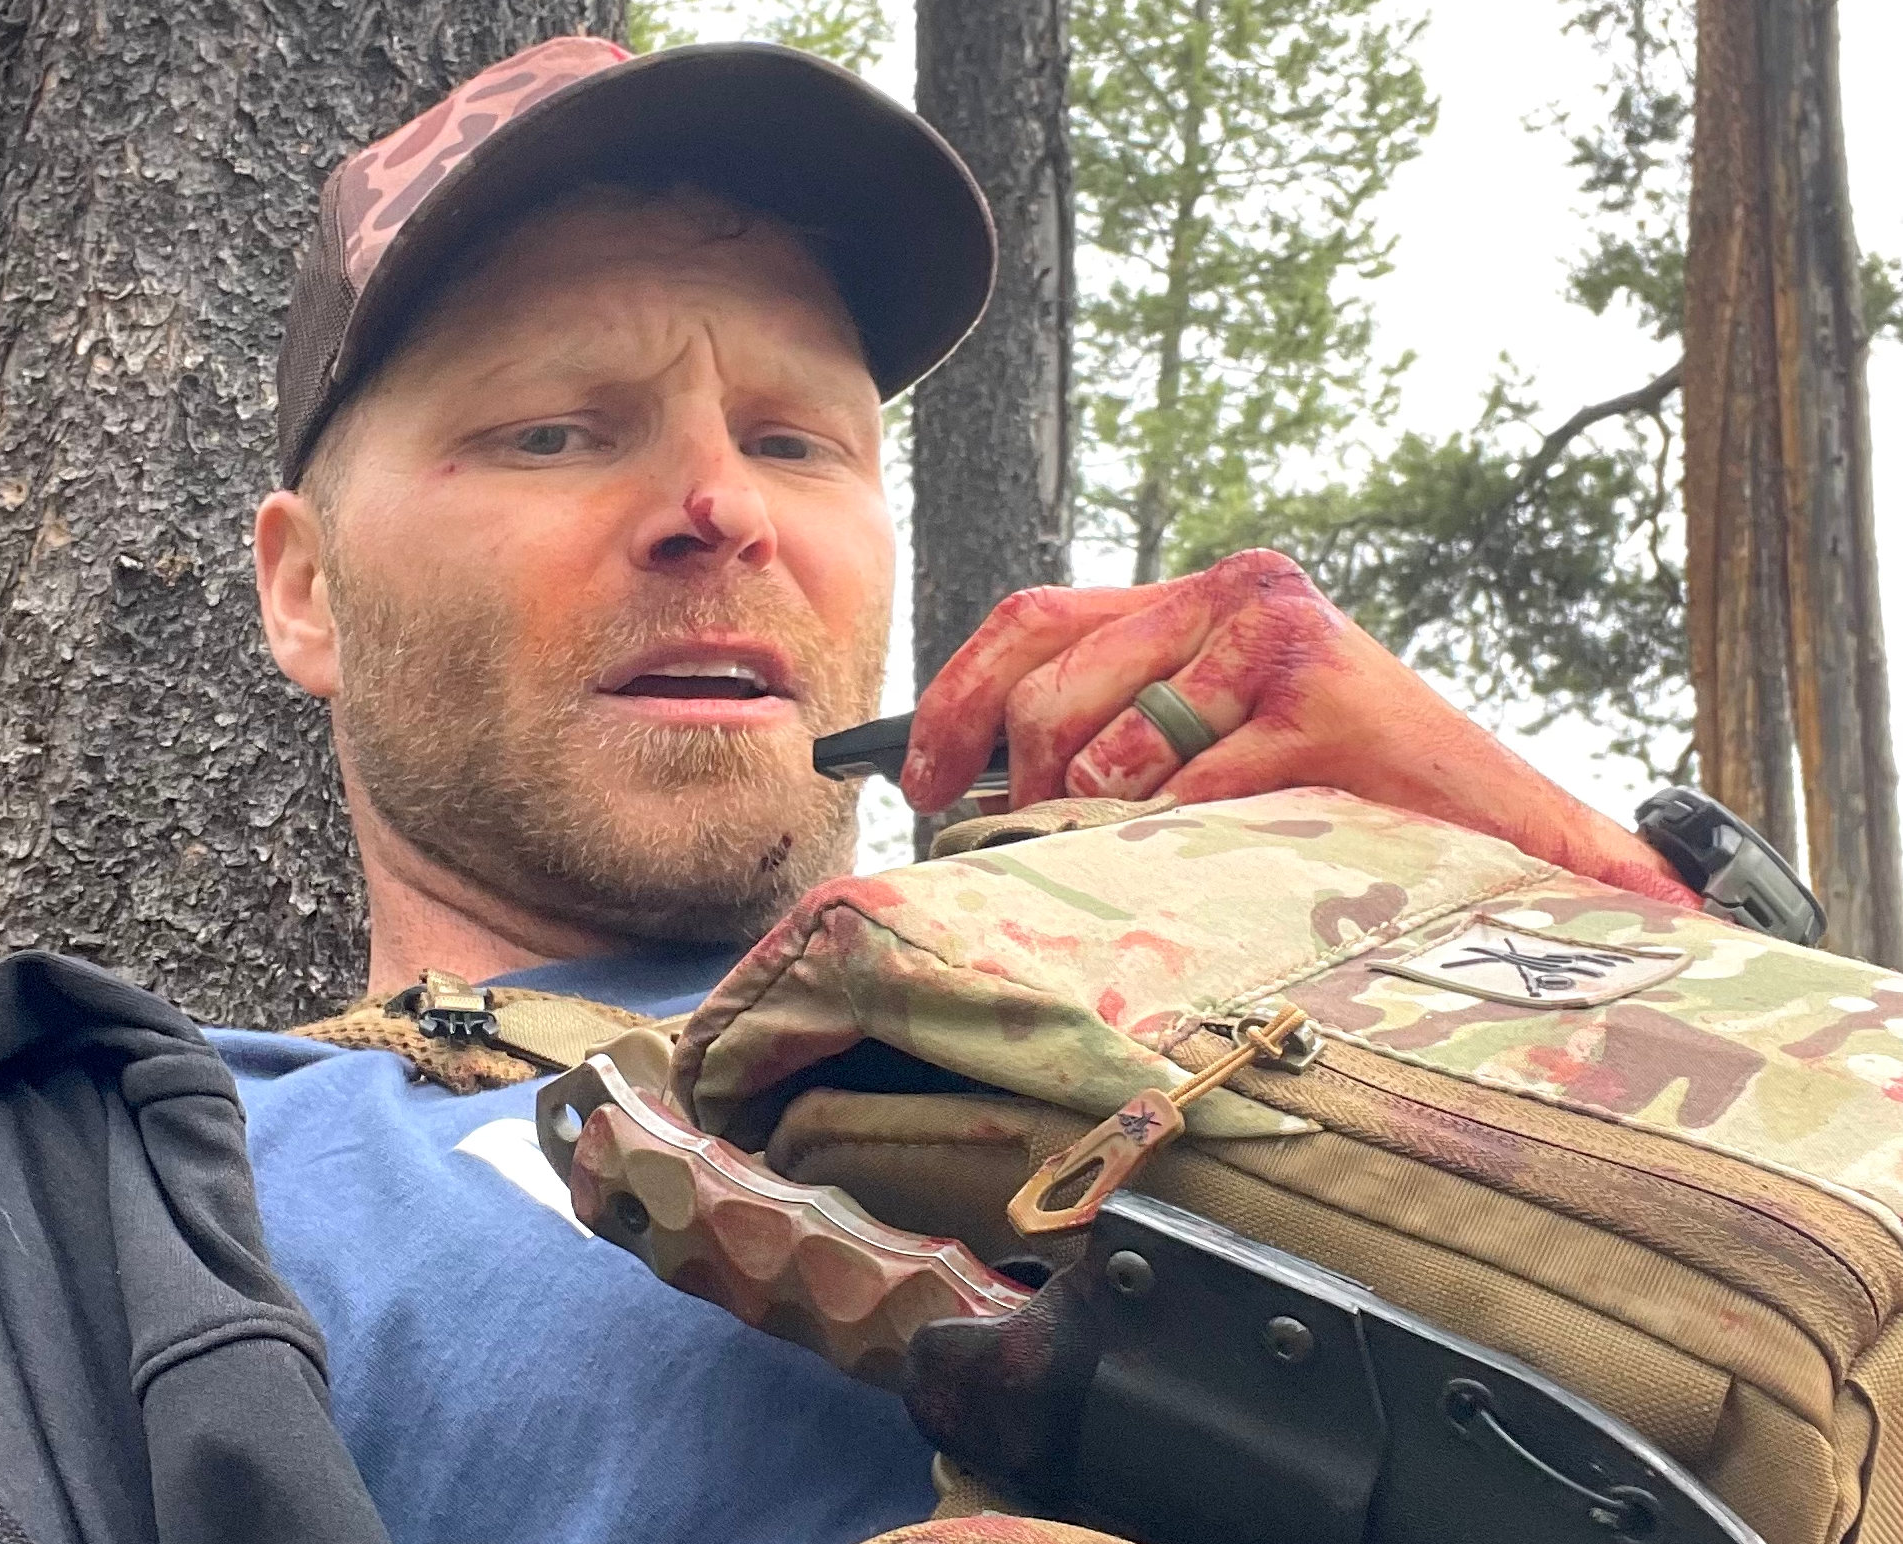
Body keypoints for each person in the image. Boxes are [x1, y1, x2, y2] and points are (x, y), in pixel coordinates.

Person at [214, 34, 1700, 1544]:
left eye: (796, 441)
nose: (722, 510)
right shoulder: (145, 1190)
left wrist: (1566, 880)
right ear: (308, 589)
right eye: (551, 430)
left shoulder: (1187, 971)